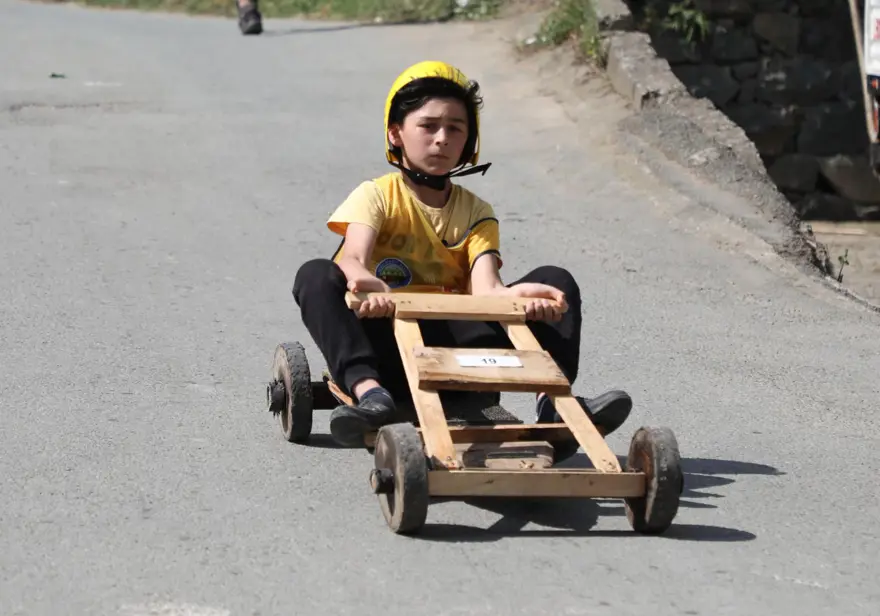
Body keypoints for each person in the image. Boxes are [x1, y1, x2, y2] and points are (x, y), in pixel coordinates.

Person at [292, 60, 633, 462]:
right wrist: (364, 282)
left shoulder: (476, 211)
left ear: (469, 141)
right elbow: (352, 257)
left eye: (455, 128)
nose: (441, 138)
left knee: (556, 280)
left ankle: (554, 408)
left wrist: (518, 297)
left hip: (456, 352)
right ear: (396, 133)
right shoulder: (377, 195)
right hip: (387, 348)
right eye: (428, 126)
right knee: (315, 274)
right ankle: (370, 396)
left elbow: (486, 289)